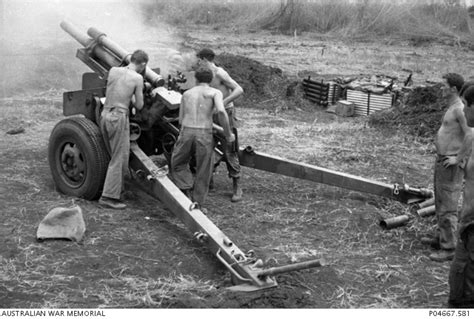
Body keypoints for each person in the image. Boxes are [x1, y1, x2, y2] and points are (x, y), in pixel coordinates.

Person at [422, 73, 473, 262]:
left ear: (453, 89)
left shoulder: (460, 109)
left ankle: (449, 247)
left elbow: (470, 134)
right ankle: (440, 237)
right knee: (441, 201)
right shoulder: (452, 107)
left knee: (448, 206)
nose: (441, 88)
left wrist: (458, 159)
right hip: (442, 161)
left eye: (444, 86)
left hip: (450, 164)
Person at [171, 67, 234, 210]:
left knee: (178, 163)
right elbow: (222, 112)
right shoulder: (214, 92)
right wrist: (227, 133)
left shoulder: (186, 94)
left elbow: (180, 120)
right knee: (204, 168)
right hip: (204, 133)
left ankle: (185, 188)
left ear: (196, 79)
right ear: (210, 80)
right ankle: (198, 203)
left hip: (186, 132)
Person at [98, 50, 148, 209]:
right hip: (118, 117)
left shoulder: (113, 70)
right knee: (119, 157)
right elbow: (139, 105)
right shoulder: (138, 78)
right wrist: (143, 90)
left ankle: (118, 189)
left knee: (116, 154)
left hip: (105, 114)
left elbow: (118, 89)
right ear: (143, 64)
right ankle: (108, 197)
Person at [196, 48, 244, 202]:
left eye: (198, 60)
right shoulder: (204, 75)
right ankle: (209, 181)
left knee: (229, 149)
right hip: (211, 115)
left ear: (204, 59)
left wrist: (222, 103)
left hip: (225, 114)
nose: (197, 62)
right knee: (208, 145)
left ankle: (237, 186)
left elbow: (239, 89)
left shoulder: (220, 73)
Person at [447, 85, 474, 307]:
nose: (463, 111)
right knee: (458, 285)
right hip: (467, 224)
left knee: (466, 291)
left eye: (466, 105)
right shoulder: (473, 138)